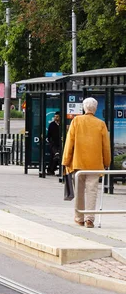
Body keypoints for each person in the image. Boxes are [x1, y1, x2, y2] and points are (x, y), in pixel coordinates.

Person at [62, 97, 111, 228]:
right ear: (95, 109)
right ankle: (90, 219)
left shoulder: (76, 121)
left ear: (84, 108)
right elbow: (106, 146)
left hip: (78, 163)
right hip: (95, 164)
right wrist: (106, 162)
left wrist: (66, 160)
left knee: (79, 191)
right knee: (92, 191)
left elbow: (69, 142)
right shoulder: (100, 124)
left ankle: (79, 217)